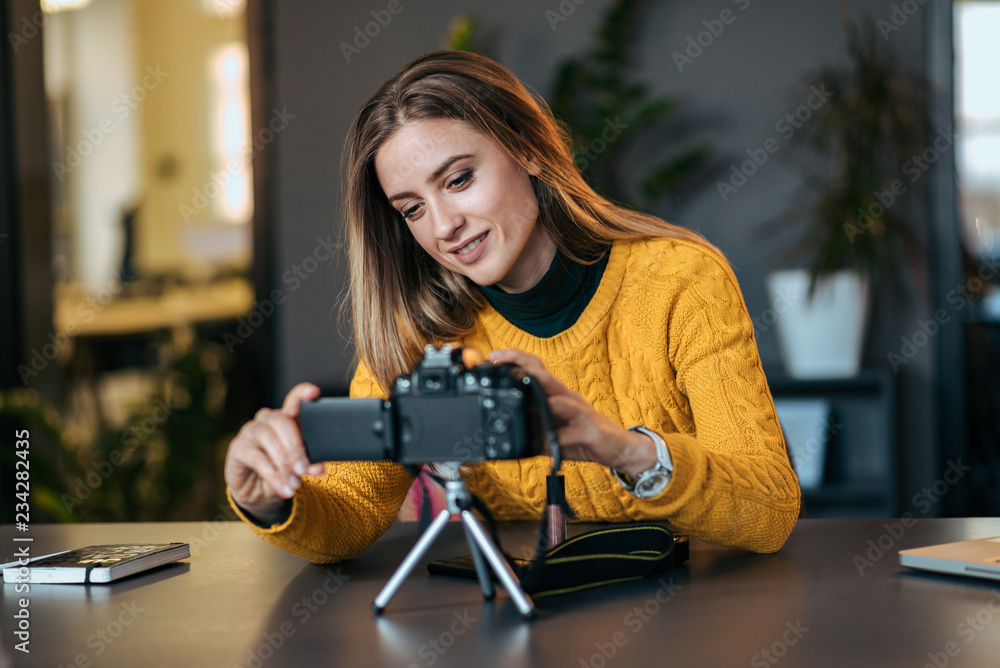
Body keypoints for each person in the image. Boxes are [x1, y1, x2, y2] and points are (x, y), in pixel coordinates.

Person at [223, 50, 801, 564]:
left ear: (528, 149)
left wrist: (623, 449)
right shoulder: (419, 333)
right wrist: (271, 497)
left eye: (458, 179)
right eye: (411, 209)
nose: (444, 226)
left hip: (695, 619)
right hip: (515, 622)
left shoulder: (679, 281)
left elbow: (770, 509)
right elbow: (350, 514)